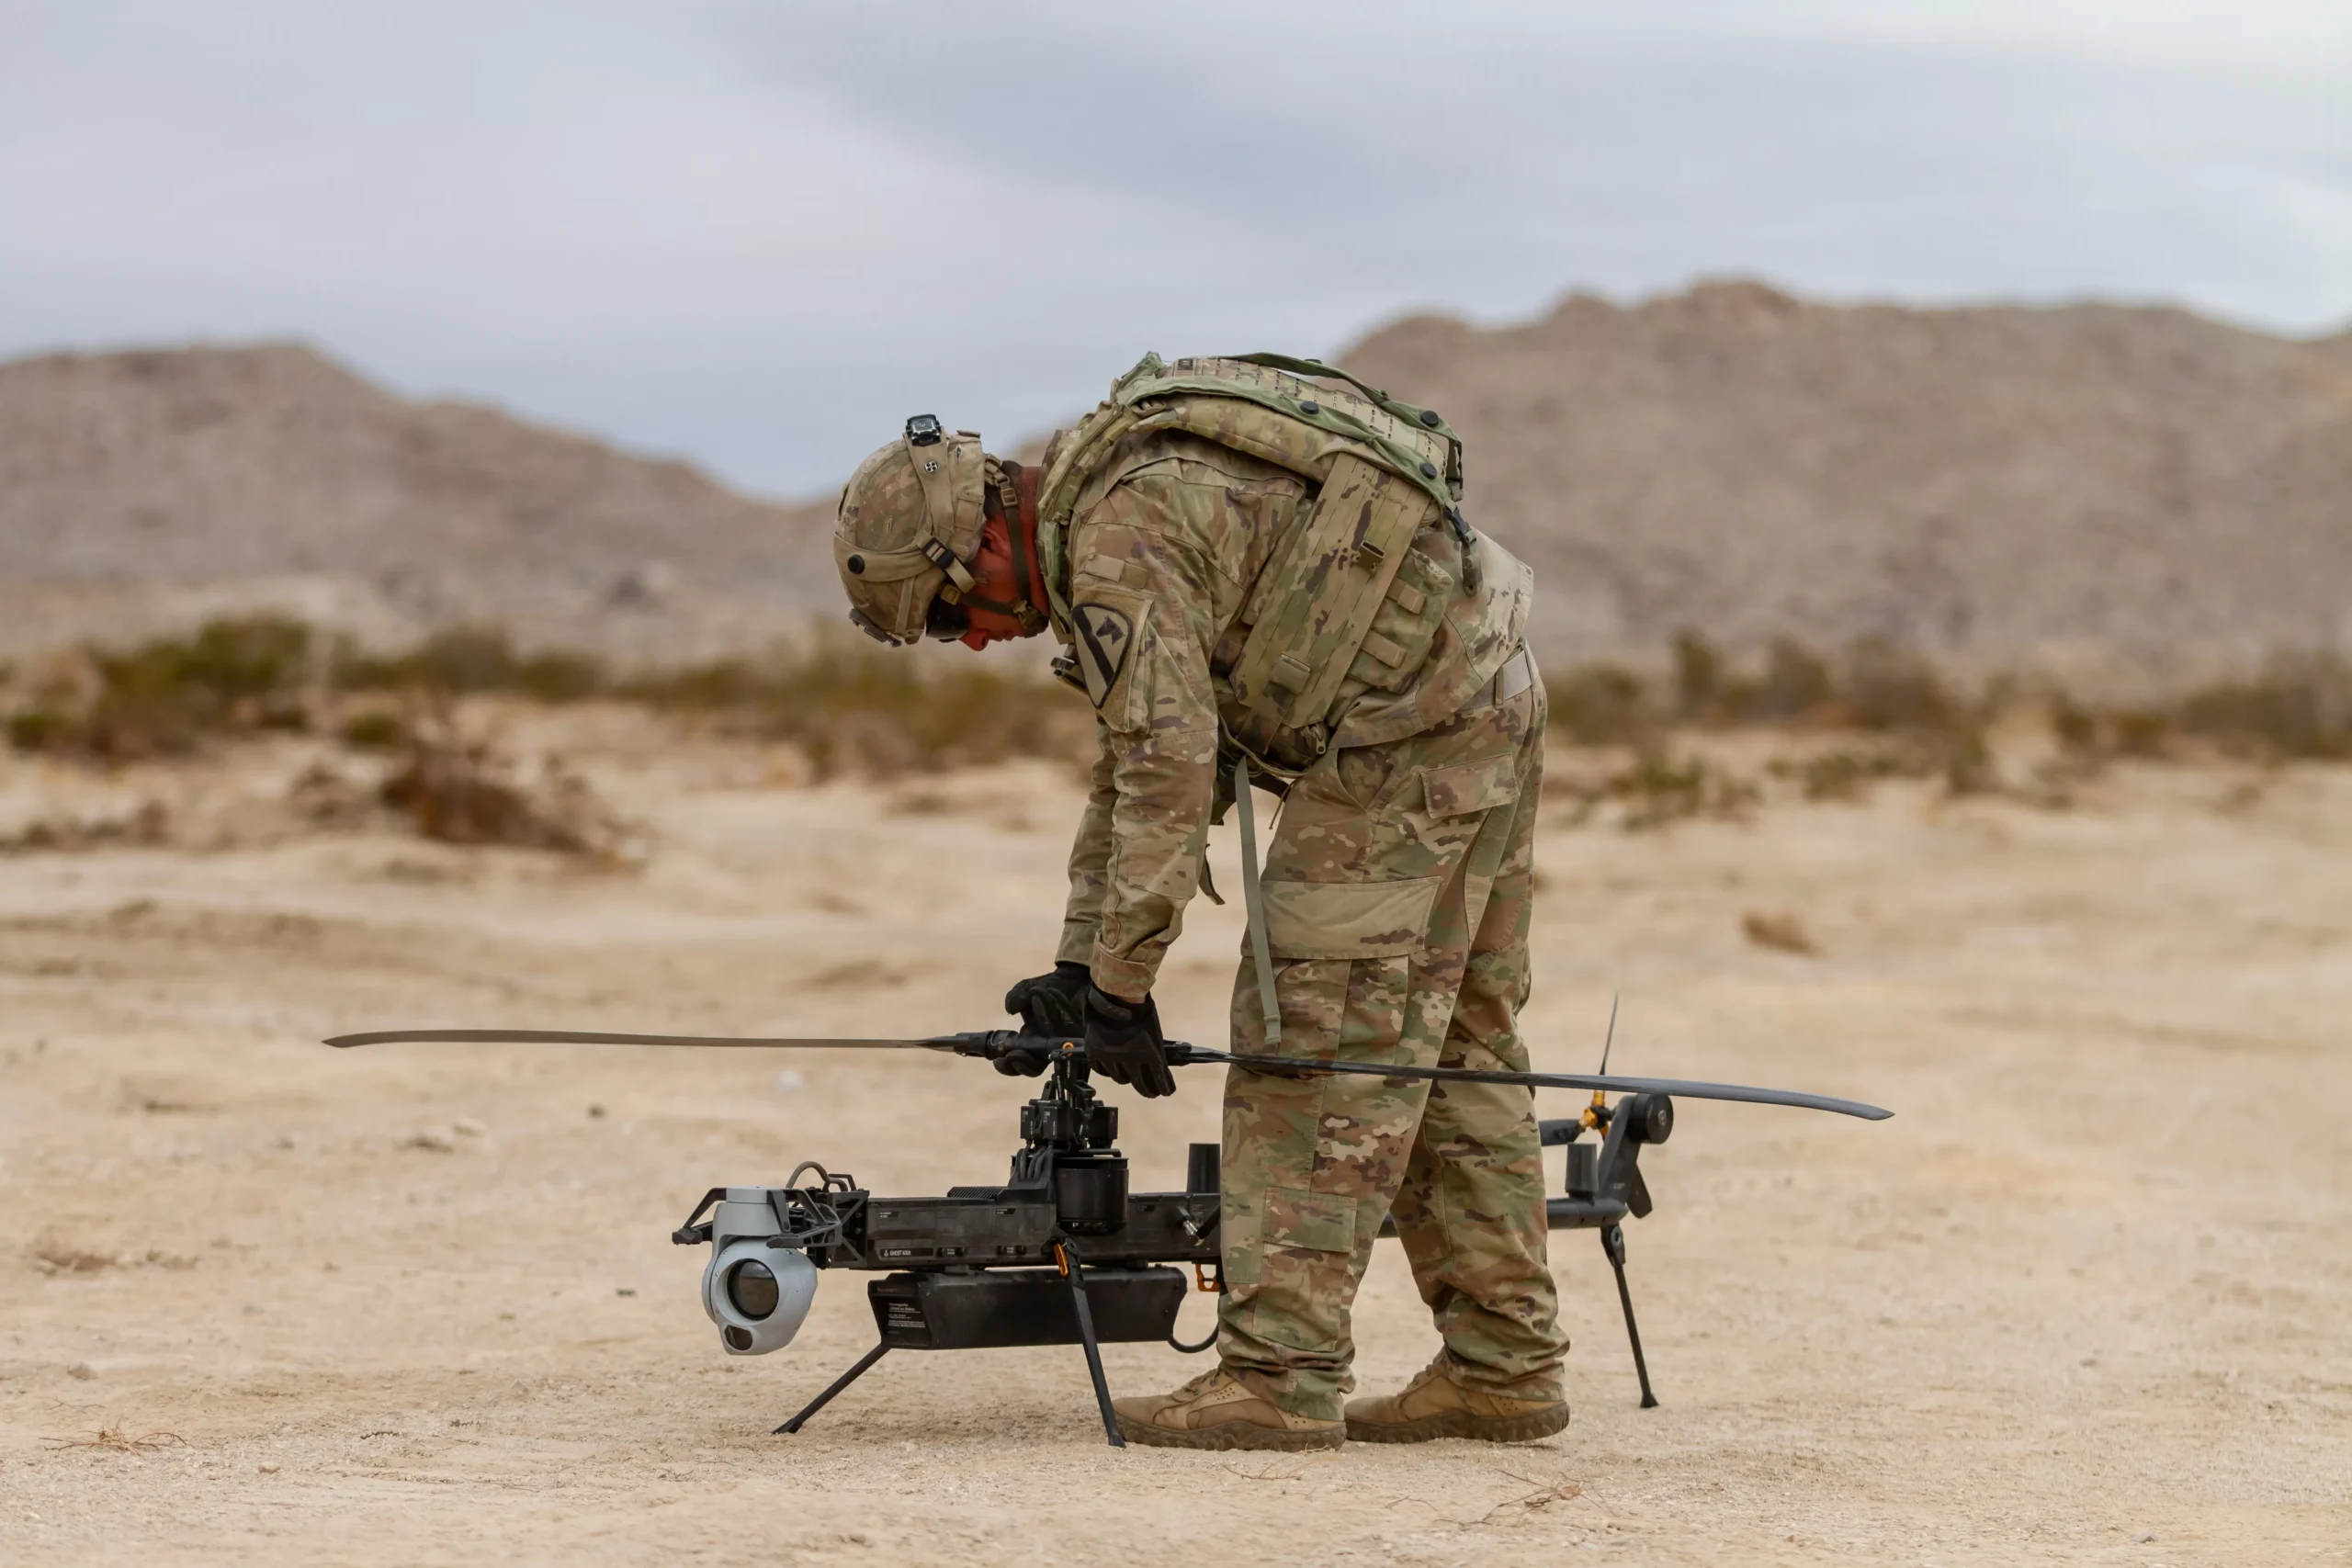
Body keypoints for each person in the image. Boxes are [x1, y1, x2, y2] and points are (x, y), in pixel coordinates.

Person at [831, 355, 1566, 1450]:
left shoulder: (1114, 538)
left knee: (1309, 1041)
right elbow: (1130, 763)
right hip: (1485, 696)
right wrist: (1082, 967)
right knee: (1456, 1046)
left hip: (1403, 740)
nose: (974, 638)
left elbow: (1167, 770)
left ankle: (1277, 1378)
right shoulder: (1113, 499)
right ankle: (1503, 1367)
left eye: (947, 615)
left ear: (976, 547)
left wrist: (1120, 989)